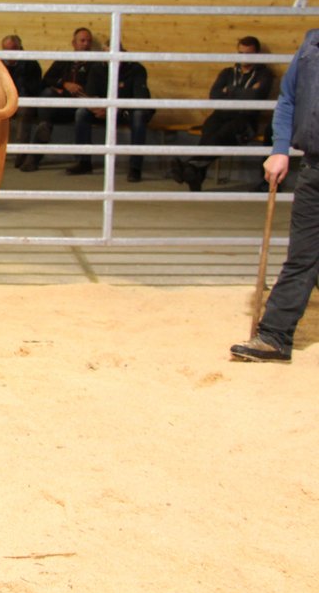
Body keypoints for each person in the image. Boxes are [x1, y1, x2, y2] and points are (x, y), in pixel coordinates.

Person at [230, 28, 319, 363]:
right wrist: (280, 147)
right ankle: (274, 337)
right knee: (302, 255)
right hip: (315, 167)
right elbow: (289, 98)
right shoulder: (312, 43)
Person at [175, 36, 275, 192]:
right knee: (209, 128)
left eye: (248, 54)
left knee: (221, 134)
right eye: (240, 53)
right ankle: (194, 173)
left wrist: (230, 90)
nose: (244, 58)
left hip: (245, 118)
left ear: (257, 54)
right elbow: (214, 95)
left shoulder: (264, 74)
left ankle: (191, 167)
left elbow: (255, 96)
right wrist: (244, 92)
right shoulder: (227, 72)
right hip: (222, 113)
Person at [67, 45, 152, 182]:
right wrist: (98, 108)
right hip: (103, 111)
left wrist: (114, 109)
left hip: (126, 111)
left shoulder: (136, 69)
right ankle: (84, 162)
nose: (110, 57)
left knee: (139, 115)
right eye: (107, 53)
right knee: (81, 113)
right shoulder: (97, 68)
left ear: (122, 53)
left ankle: (135, 167)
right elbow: (91, 95)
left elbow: (140, 98)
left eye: (114, 53)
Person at [20, 26, 95, 173]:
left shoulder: (96, 63)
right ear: (74, 43)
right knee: (47, 95)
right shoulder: (65, 60)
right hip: (62, 105)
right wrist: (64, 84)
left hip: (83, 105)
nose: (85, 44)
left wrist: (78, 91)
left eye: (88, 41)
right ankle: (35, 153)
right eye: (82, 40)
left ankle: (83, 162)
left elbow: (97, 87)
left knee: (80, 113)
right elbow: (46, 80)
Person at [1, 34, 44, 168]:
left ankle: (21, 152)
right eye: (6, 50)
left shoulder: (31, 64)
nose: (10, 54)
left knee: (24, 111)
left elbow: (35, 88)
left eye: (13, 50)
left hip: (23, 100)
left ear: (20, 48)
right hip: (4, 100)